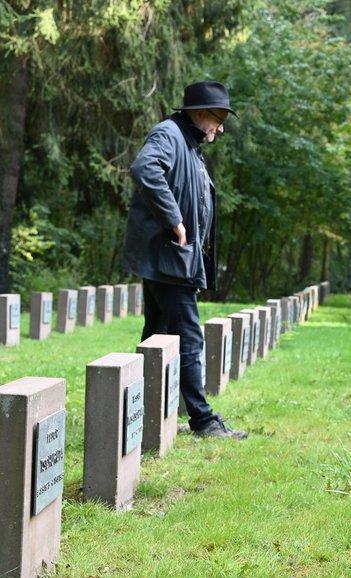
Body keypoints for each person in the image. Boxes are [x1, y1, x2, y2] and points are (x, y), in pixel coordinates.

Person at [123, 80, 247, 439]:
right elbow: (145, 169)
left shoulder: (190, 145)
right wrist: (174, 220)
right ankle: (203, 420)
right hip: (170, 261)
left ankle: (147, 415)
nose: (220, 128)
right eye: (218, 118)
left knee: (157, 335)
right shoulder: (168, 134)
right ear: (199, 112)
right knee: (189, 338)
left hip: (177, 260)